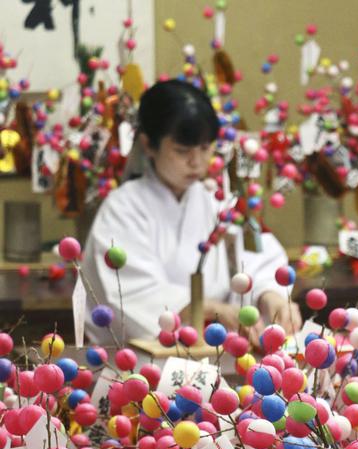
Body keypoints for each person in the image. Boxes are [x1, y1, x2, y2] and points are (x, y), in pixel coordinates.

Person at [83, 79, 299, 343]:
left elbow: (256, 260)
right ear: (148, 144)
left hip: (217, 350)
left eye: (205, 148)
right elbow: (131, 293)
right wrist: (204, 309)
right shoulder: (122, 208)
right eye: (182, 150)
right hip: (138, 362)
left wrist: (270, 295)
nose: (196, 162)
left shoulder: (217, 201)